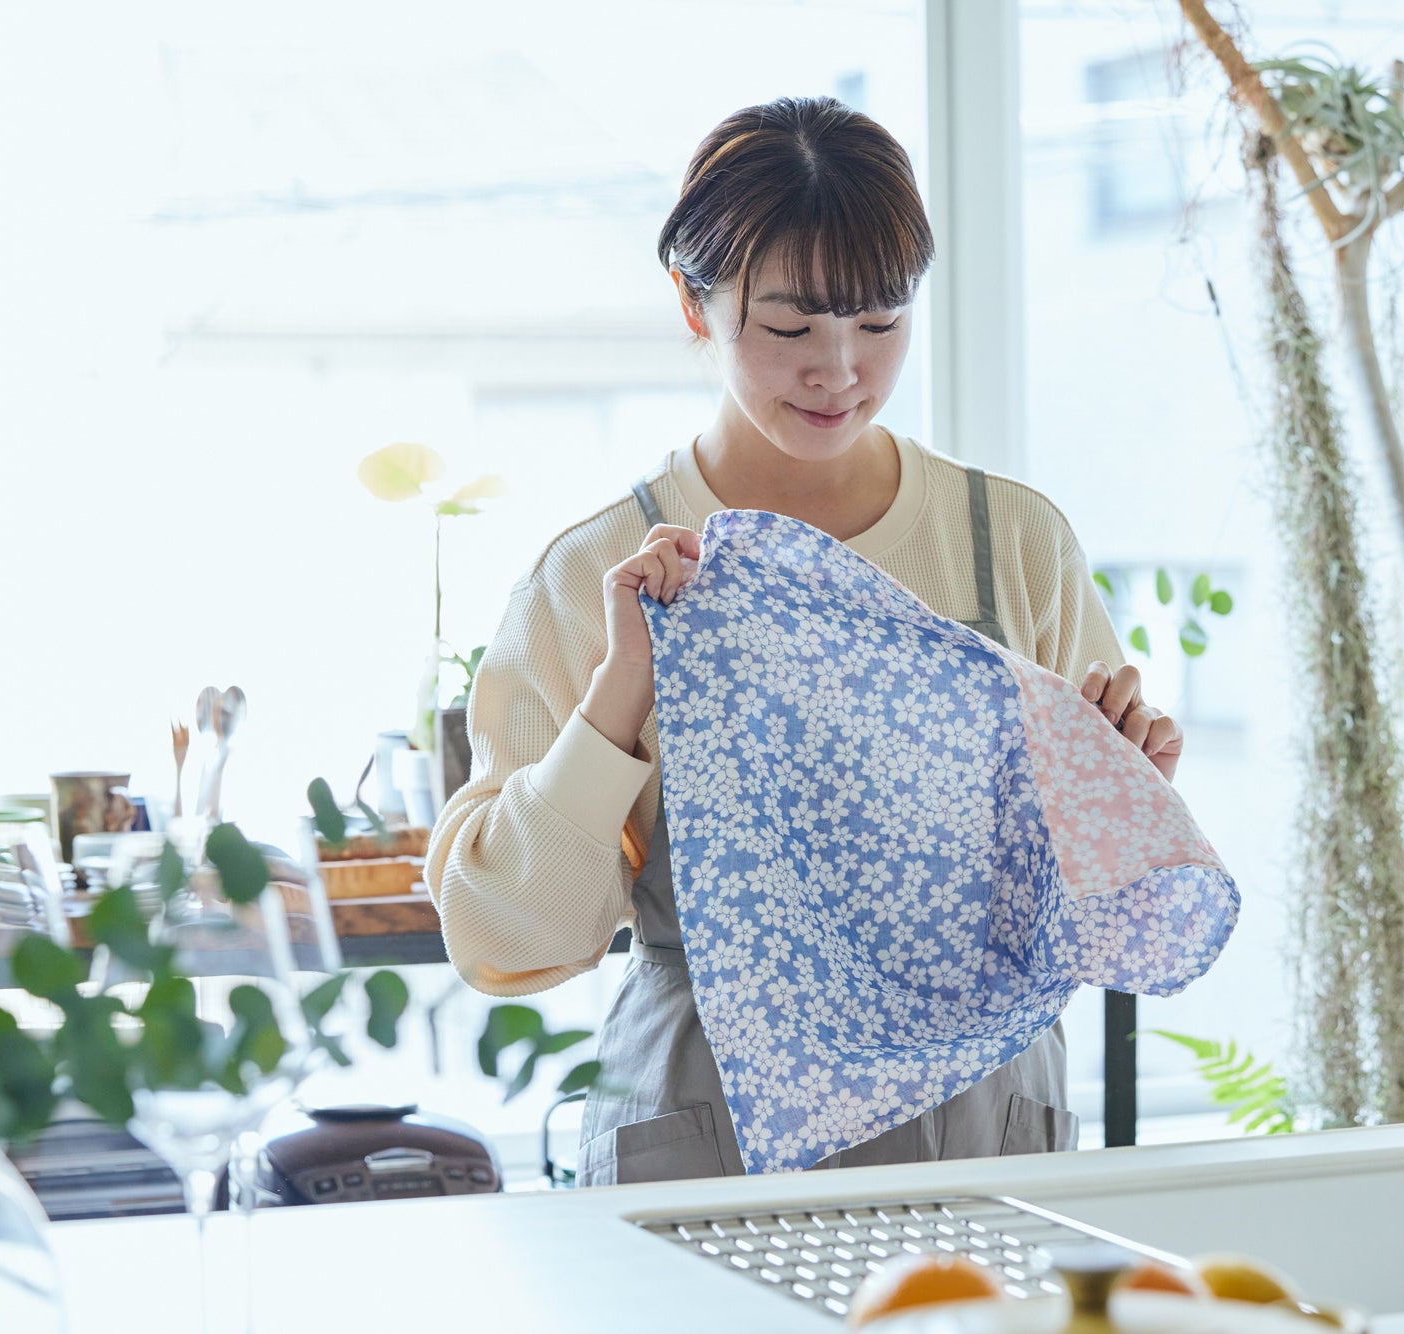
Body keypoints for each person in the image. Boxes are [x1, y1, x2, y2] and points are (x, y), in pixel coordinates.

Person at [425, 96, 1183, 1187]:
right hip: (708, 1125)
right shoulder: (591, 571)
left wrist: (1120, 795)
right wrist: (617, 694)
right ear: (691, 301)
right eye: (787, 328)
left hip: (983, 1123)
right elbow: (505, 935)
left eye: (879, 323)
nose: (838, 370)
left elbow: (1107, 916)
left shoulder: (1009, 543)